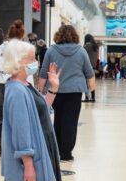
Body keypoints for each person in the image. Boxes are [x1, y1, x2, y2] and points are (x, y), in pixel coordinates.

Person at [0, 41, 65, 181]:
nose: (35, 61)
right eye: (31, 58)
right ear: (18, 62)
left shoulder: (25, 86)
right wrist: (28, 164)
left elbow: (42, 109)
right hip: (33, 160)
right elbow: (21, 130)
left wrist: (53, 88)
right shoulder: (16, 91)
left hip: (41, 152)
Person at [38, 24, 96, 163]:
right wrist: (91, 89)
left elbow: (43, 71)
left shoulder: (51, 50)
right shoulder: (81, 51)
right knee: (71, 121)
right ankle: (67, 153)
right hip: (75, 92)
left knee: (57, 119)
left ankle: (57, 149)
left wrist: (40, 90)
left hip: (55, 90)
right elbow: (89, 73)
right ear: (75, 36)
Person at [0, 20, 31, 157]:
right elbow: (29, 69)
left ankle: (3, 146)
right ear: (22, 35)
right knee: (20, 116)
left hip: (2, 86)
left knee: (3, 116)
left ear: (8, 35)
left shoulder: (0, 49)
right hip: (20, 85)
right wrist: (31, 87)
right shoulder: (26, 48)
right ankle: (18, 146)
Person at [83, 34, 99, 101]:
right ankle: (93, 97)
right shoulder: (95, 46)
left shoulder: (88, 45)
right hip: (93, 66)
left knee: (86, 82)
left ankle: (87, 97)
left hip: (87, 66)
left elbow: (81, 50)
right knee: (92, 82)